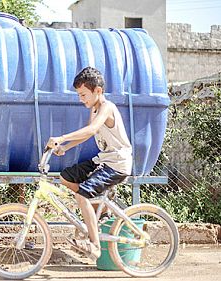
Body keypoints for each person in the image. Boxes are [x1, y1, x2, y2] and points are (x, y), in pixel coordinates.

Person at [46, 66, 132, 261]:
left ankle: (94, 246)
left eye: (83, 94)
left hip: (117, 164)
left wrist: (62, 137)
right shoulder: (94, 109)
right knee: (66, 177)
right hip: (104, 160)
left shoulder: (106, 107)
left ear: (98, 91)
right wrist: (65, 147)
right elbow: (87, 132)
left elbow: (92, 130)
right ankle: (96, 210)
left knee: (82, 195)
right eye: (79, 95)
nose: (81, 99)